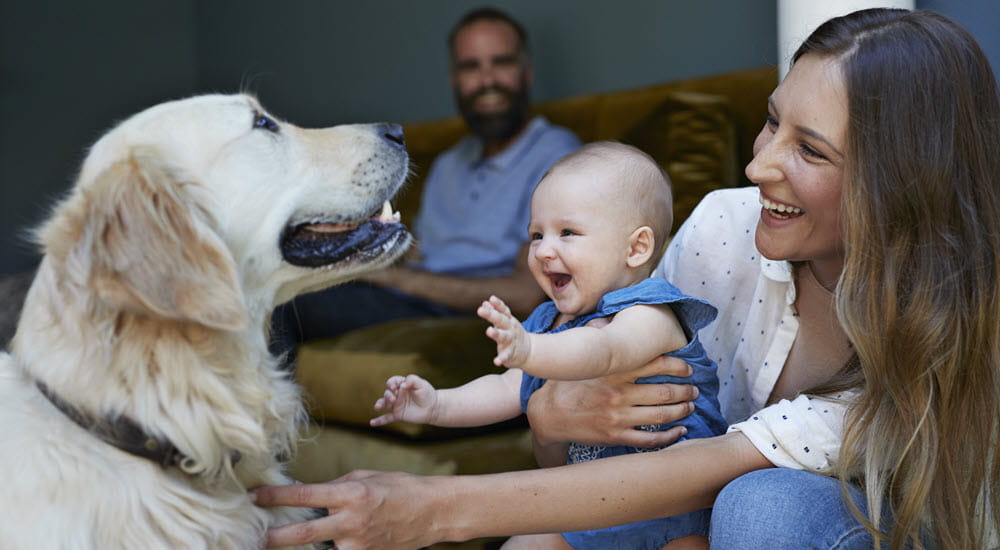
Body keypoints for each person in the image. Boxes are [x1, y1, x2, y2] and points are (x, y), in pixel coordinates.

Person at [255, 8, 1000, 549]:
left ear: (896, 185)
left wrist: (436, 510)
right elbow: (605, 443)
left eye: (810, 150)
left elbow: (710, 469)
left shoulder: (933, 325)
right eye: (772, 122)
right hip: (687, 508)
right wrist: (552, 419)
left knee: (761, 505)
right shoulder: (721, 230)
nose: (757, 164)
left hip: (853, 529)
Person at [370, 142, 727, 549]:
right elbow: (505, 389)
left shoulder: (652, 312)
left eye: (567, 233)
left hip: (673, 511)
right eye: (536, 235)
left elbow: (605, 348)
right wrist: (436, 405)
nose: (543, 250)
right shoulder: (548, 324)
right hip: (585, 506)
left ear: (636, 248)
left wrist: (531, 351)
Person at [269, 7, 580, 361]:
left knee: (286, 305)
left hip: (467, 314)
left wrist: (388, 279)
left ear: (526, 73)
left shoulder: (557, 155)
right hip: (407, 299)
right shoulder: (448, 163)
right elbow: (420, 252)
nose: (486, 80)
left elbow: (527, 293)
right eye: (470, 67)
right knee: (277, 286)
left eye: (502, 62)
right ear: (454, 80)